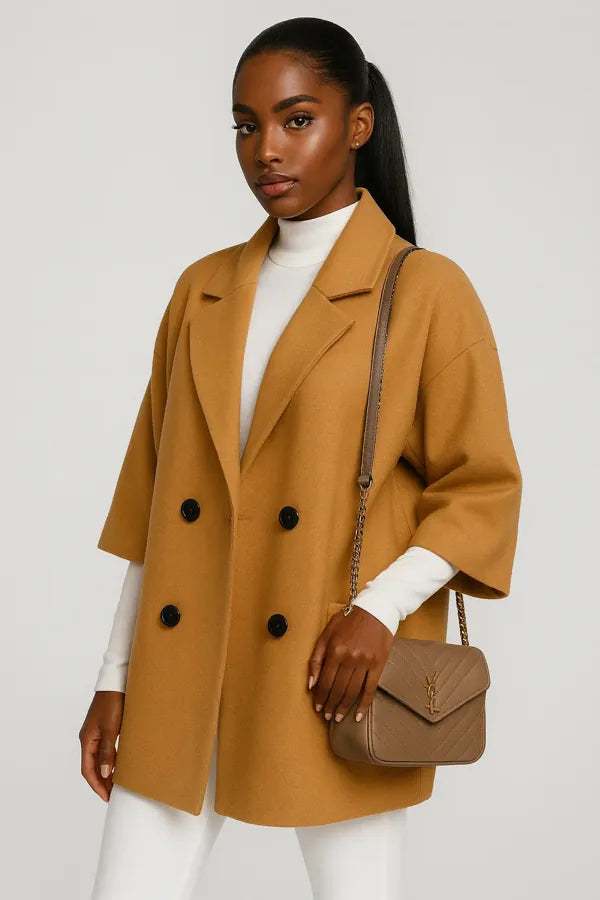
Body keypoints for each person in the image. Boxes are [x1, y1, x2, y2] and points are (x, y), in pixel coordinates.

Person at [80, 16, 522, 900]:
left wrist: (378, 612)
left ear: (357, 125)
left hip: (330, 663)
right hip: (184, 662)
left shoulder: (424, 290)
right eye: (246, 126)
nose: (266, 151)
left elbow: (480, 489)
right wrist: (115, 677)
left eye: (297, 119)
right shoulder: (202, 290)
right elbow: (158, 505)